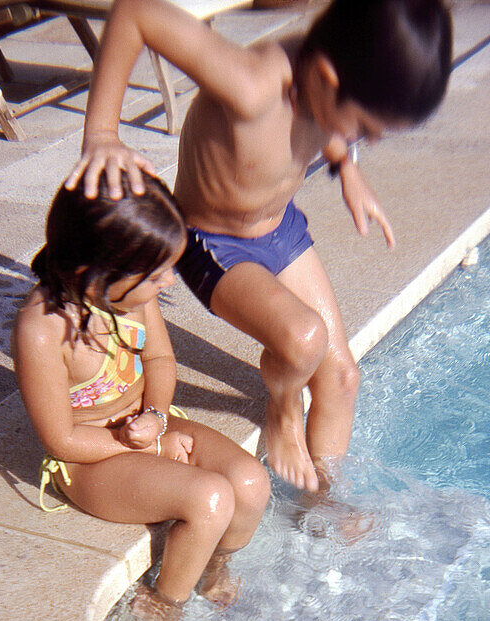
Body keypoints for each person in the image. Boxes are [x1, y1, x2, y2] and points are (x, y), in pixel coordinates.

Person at [66, 0, 453, 495]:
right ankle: (283, 410)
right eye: (366, 130)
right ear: (328, 78)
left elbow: (327, 121)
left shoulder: (323, 87)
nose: (364, 142)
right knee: (304, 339)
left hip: (280, 228)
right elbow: (135, 13)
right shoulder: (250, 85)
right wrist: (101, 133)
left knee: (342, 379)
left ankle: (322, 507)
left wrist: (347, 168)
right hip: (211, 242)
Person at [14, 173, 271, 621]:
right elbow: (59, 438)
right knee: (208, 498)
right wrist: (144, 442)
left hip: (146, 424)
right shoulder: (43, 329)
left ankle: (212, 562)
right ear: (92, 272)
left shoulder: (134, 297)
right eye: (155, 274)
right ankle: (162, 602)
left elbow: (159, 359)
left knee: (252, 483)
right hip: (91, 458)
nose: (169, 281)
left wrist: (155, 414)